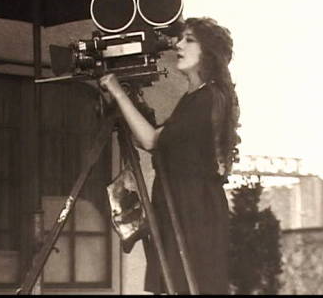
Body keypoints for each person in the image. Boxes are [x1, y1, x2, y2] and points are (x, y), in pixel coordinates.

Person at [99, 17, 241, 295]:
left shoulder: (206, 98)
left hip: (192, 209)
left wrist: (118, 91)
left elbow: (151, 140)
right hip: (182, 203)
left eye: (189, 39)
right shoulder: (195, 98)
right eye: (181, 38)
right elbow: (159, 142)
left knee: (188, 286)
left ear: (208, 52)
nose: (178, 44)